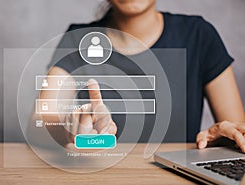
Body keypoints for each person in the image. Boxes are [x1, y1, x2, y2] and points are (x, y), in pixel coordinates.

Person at [40, 0, 245, 151]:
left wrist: (222, 136)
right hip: (98, 183)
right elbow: (41, 120)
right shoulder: (77, 40)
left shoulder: (199, 35)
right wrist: (70, 127)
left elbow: (237, 132)